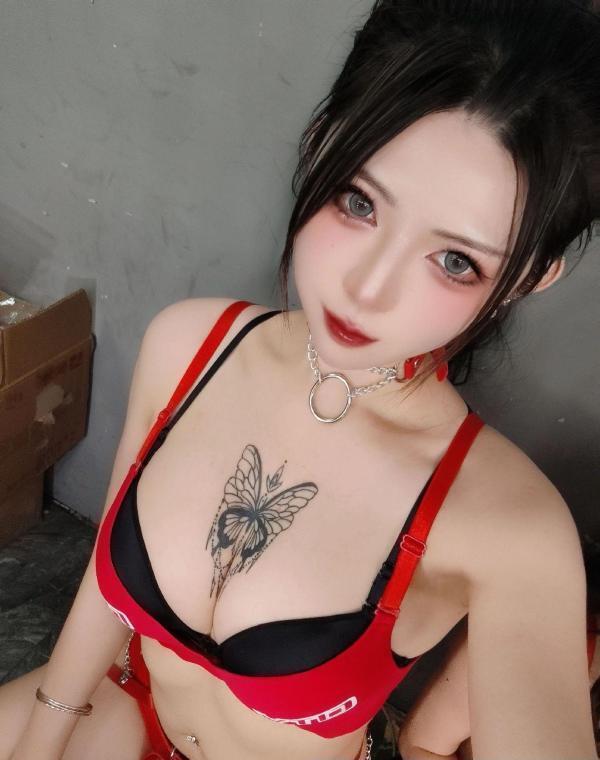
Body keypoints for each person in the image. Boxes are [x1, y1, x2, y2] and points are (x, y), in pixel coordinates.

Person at [1, 1, 599, 758]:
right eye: (359, 202)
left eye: (455, 261)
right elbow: (106, 585)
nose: (367, 288)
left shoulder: (510, 526)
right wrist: (43, 736)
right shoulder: (189, 346)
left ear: (529, 278)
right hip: (126, 703)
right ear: (320, 143)